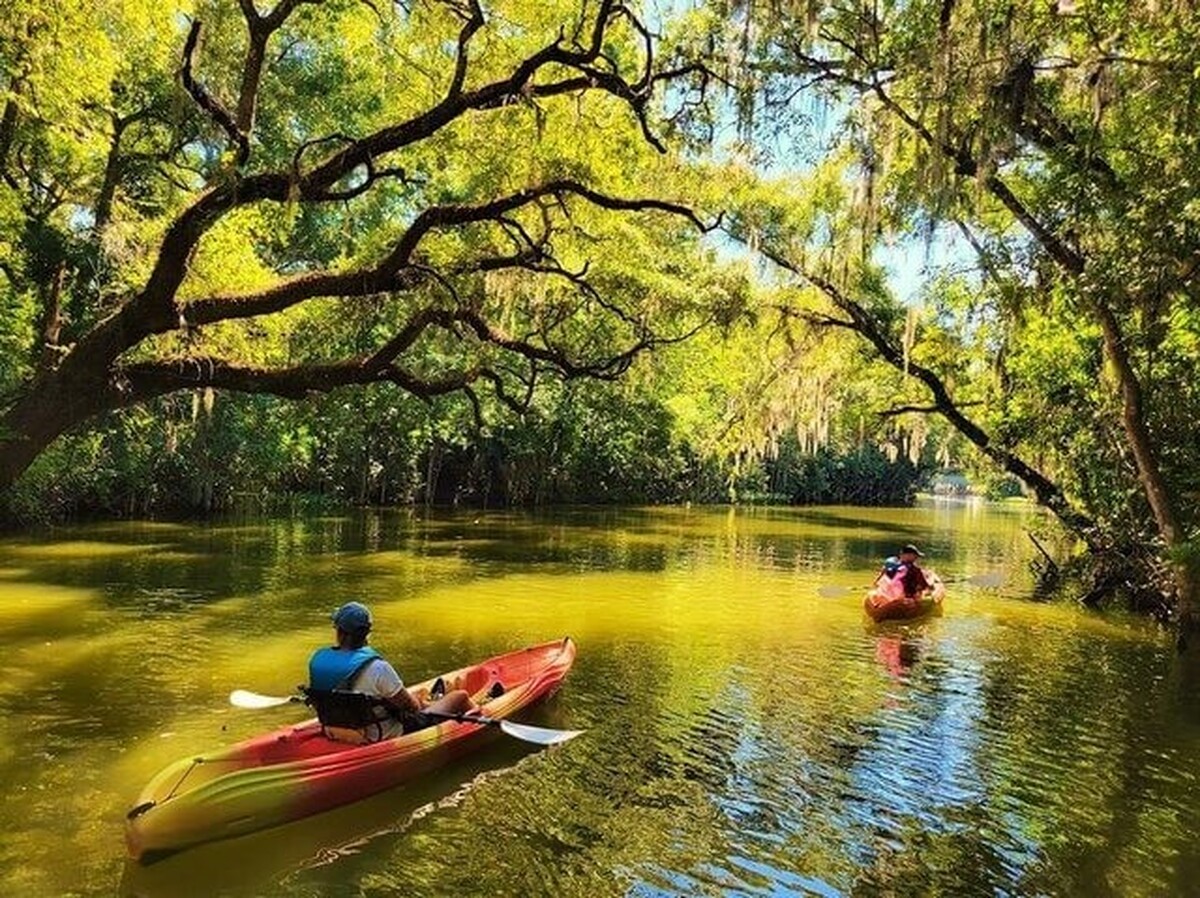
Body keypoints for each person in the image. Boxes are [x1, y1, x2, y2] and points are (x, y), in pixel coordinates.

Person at [306, 601, 477, 744]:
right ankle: (480, 715)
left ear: (339, 631)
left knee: (420, 698)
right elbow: (411, 708)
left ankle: (433, 701)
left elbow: (319, 701)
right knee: (460, 696)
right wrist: (418, 704)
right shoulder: (378, 668)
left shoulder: (317, 660)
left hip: (334, 729)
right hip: (380, 735)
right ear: (367, 634)